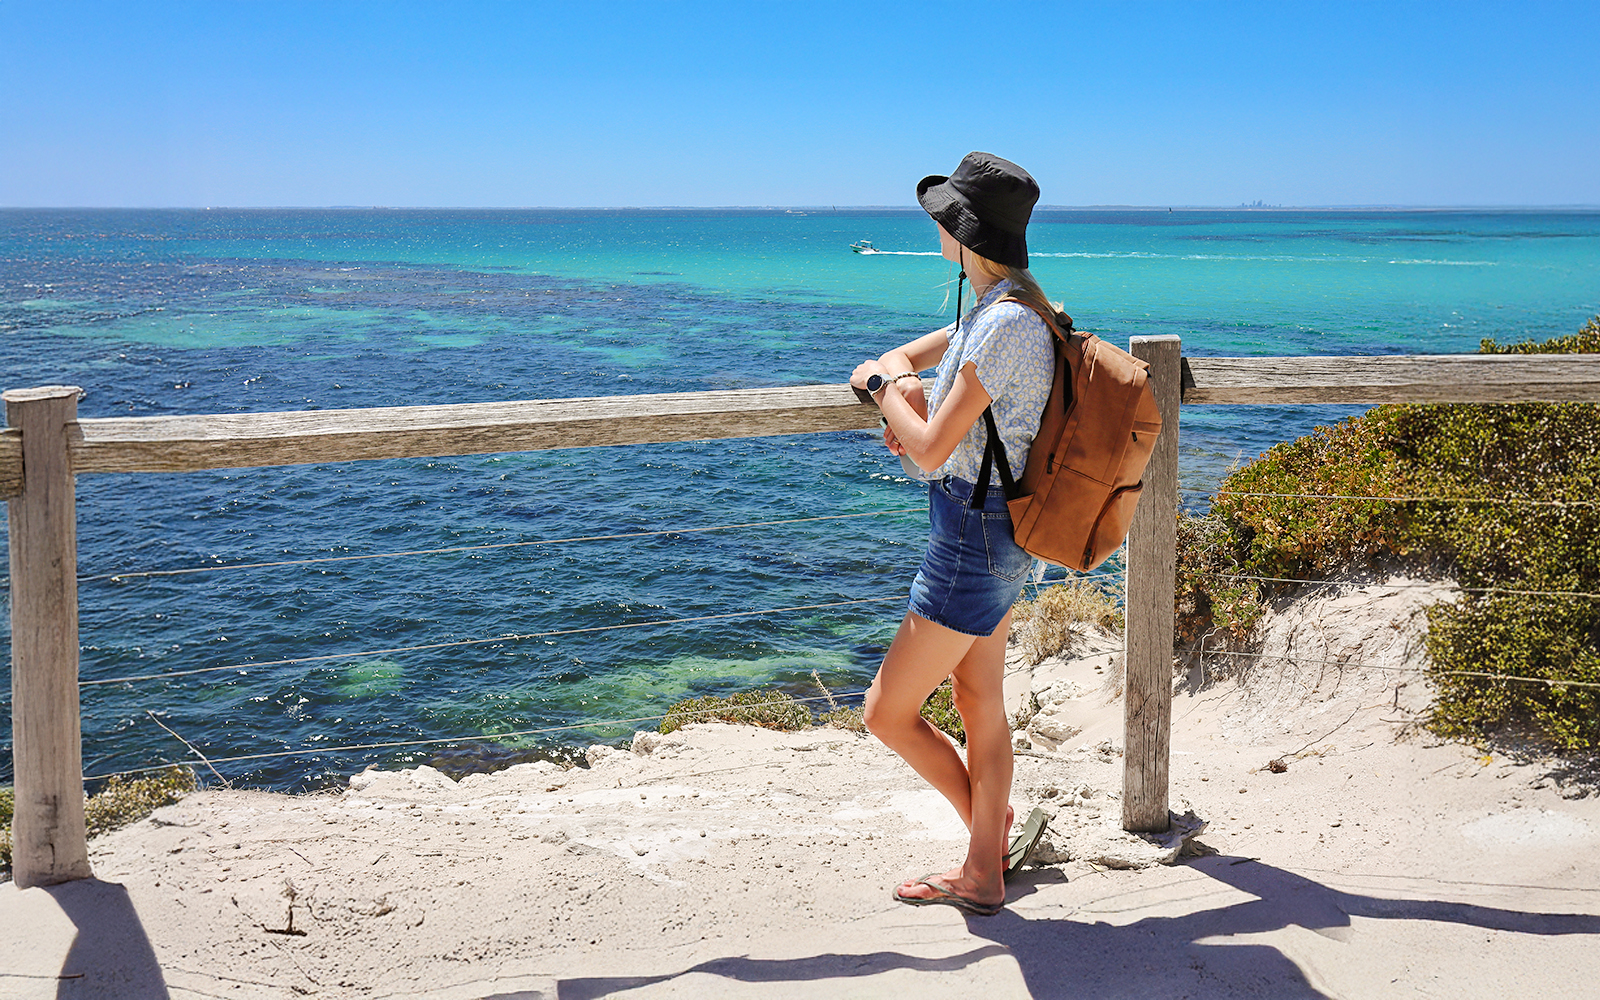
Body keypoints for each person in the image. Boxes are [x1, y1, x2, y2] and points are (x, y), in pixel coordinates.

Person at [850, 151, 1058, 916]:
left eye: (946, 217)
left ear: (965, 233)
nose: (937, 226)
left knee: (885, 712)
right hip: (1001, 532)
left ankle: (983, 845)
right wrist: (901, 382)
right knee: (979, 701)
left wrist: (878, 391)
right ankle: (985, 858)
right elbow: (913, 364)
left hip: (972, 538)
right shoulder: (1007, 307)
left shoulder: (1001, 323)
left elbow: (933, 448)